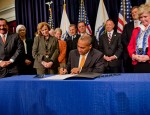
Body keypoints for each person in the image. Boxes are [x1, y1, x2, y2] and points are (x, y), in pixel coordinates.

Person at [128, 3, 150, 73]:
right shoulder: (136, 30)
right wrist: (133, 56)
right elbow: (130, 46)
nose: (143, 19)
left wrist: (148, 57)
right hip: (137, 62)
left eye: (145, 16)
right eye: (141, 17)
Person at [121, 6, 139, 73]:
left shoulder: (145, 24)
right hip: (129, 56)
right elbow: (123, 38)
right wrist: (131, 47)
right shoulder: (127, 26)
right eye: (132, 13)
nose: (134, 14)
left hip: (142, 56)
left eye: (135, 12)